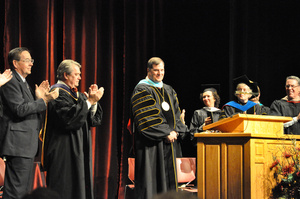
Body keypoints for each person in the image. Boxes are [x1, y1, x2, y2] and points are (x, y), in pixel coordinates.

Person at [0, 47, 59, 199]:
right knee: (16, 191)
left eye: (31, 60)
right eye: (27, 60)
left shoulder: (23, 82)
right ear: (15, 63)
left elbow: (27, 109)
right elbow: (19, 109)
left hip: (25, 145)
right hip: (18, 144)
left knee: (24, 191)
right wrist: (43, 101)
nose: (31, 64)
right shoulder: (10, 80)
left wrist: (39, 99)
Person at [41, 59, 104, 199]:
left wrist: (93, 104)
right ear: (65, 75)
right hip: (63, 151)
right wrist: (89, 102)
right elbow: (69, 120)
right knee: (65, 188)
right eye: (76, 74)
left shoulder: (77, 95)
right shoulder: (56, 94)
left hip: (77, 150)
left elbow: (92, 121)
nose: (80, 77)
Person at [130, 57, 189, 199]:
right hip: (151, 145)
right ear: (148, 71)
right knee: (152, 180)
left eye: (162, 70)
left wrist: (177, 131)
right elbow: (147, 116)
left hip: (170, 143)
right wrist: (165, 133)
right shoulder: (142, 89)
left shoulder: (168, 89)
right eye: (156, 70)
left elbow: (175, 113)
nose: (159, 73)